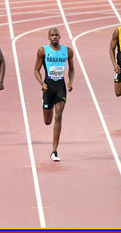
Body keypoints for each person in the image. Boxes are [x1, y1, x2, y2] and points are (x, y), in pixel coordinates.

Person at [34, 28, 74, 161]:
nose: (54, 37)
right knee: (47, 121)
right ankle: (47, 105)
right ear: (48, 37)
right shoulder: (42, 51)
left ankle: (54, 151)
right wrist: (41, 83)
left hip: (60, 87)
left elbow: (72, 69)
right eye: (52, 35)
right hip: (48, 87)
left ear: (60, 36)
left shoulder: (67, 51)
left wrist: (70, 82)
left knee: (59, 116)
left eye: (56, 35)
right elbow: (36, 70)